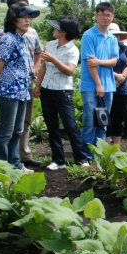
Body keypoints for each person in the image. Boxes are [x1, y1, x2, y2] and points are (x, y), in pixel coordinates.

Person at [0, 0, 42, 168]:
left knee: (18, 130)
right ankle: (1, 166)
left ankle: (16, 165)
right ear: (14, 19)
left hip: (22, 90)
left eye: (29, 18)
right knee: (6, 131)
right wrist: (5, 82)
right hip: (10, 92)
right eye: (24, 17)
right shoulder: (8, 39)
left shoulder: (22, 38)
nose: (28, 20)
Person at [34, 18, 89, 170]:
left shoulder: (73, 50)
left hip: (63, 91)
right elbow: (44, 67)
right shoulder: (51, 44)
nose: (54, 30)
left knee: (70, 126)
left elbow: (69, 71)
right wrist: (38, 86)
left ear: (64, 32)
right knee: (52, 126)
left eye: (57, 28)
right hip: (47, 89)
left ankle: (81, 159)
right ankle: (58, 160)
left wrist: (54, 59)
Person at [79, 2, 119, 158]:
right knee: (90, 121)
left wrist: (99, 62)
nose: (105, 18)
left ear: (112, 17)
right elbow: (90, 63)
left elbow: (114, 61)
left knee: (103, 122)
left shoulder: (112, 38)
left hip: (109, 86)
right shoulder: (89, 35)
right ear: (96, 16)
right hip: (91, 86)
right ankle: (86, 155)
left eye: (108, 15)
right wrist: (98, 84)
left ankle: (99, 155)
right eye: (102, 14)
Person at [107, 23, 127, 146]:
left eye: (117, 35)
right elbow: (101, 66)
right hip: (107, 87)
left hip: (122, 88)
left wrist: (121, 78)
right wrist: (115, 76)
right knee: (106, 117)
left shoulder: (125, 49)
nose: (115, 37)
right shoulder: (103, 49)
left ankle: (117, 145)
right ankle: (106, 144)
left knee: (119, 118)